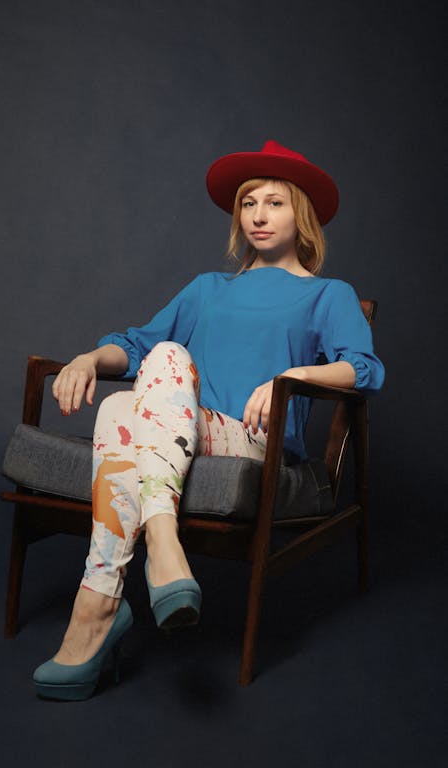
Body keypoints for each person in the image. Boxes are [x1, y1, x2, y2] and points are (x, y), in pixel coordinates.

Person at [33, 139, 385, 700]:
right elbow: (136, 344)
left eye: (275, 203)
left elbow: (363, 370)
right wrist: (88, 358)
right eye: (249, 204)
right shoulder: (208, 289)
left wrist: (290, 377)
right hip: (183, 430)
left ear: (302, 214)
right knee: (126, 396)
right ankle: (110, 594)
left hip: (254, 441)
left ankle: (109, 595)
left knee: (162, 366)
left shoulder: (327, 294)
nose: (259, 216)